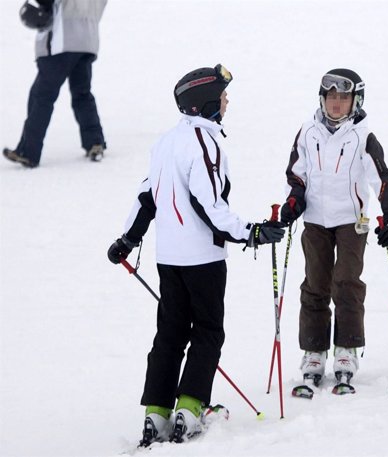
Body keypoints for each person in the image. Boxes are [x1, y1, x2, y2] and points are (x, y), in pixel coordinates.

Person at [106, 64, 285, 446]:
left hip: (168, 258)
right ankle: (189, 408)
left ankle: (156, 413)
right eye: (222, 95)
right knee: (207, 332)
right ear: (207, 103)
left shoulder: (167, 142)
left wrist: (128, 239)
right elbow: (209, 204)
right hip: (202, 259)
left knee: (170, 334)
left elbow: (145, 197)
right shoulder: (206, 143)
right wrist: (249, 232)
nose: (227, 101)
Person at [280, 68, 388, 386]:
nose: (336, 103)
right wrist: (294, 199)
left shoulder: (363, 135)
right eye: (331, 96)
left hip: (352, 220)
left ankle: (346, 348)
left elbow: (382, 178)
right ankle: (314, 351)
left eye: (343, 97)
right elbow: (296, 172)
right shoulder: (308, 132)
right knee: (315, 285)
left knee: (347, 282)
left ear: (355, 101)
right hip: (316, 221)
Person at [3, 0, 107, 168]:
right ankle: (95, 143)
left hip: (61, 41)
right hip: (87, 40)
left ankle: (28, 152)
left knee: (41, 96)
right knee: (82, 95)